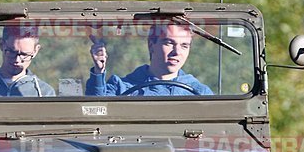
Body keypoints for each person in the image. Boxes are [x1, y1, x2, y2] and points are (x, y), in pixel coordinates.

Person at [85, 24, 213, 96]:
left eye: (184, 46)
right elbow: (95, 114)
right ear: (151, 45)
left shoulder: (200, 93)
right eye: (169, 43)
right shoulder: (121, 87)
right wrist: (98, 71)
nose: (177, 52)